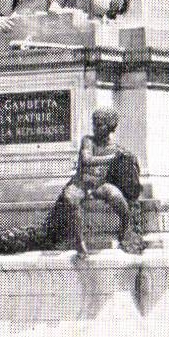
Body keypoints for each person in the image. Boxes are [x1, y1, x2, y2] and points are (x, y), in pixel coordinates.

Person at [62, 107, 142, 257]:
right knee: (70, 197)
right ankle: (79, 242)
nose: (95, 128)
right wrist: (112, 158)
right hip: (81, 182)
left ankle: (125, 227)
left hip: (100, 185)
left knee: (116, 196)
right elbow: (86, 159)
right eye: (94, 124)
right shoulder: (88, 140)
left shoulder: (117, 149)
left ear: (109, 127)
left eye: (99, 125)